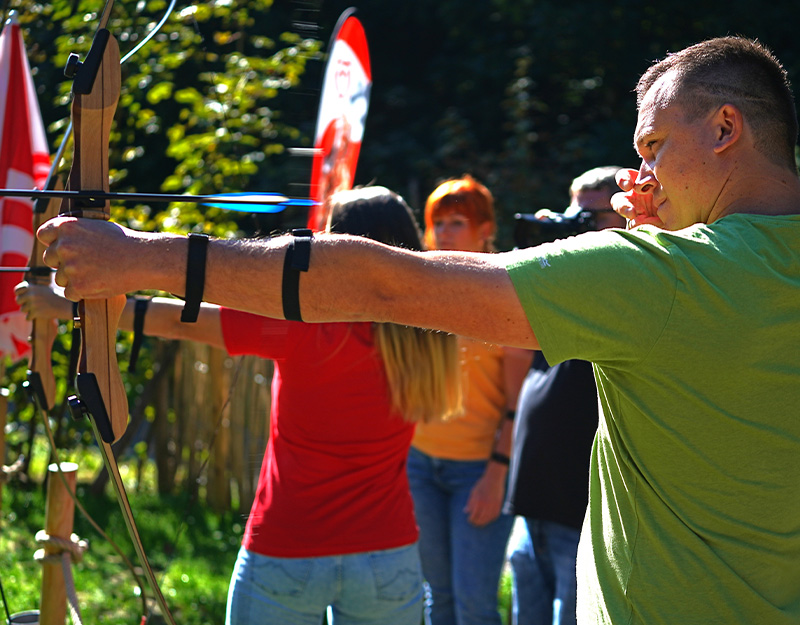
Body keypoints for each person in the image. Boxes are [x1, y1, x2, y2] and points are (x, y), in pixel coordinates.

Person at [39, 36, 800, 624]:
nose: (644, 176)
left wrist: (137, 256)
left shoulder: (665, 278)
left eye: (653, 147)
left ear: (725, 127)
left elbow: (380, 280)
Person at [20, 186, 463, 625]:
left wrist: (62, 305)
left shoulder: (303, 328)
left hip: (287, 550)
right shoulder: (428, 338)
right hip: (388, 555)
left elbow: (178, 319)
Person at [406, 175, 531, 625]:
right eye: (438, 223)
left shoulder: (507, 293)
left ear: (485, 230)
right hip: (419, 463)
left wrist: (496, 475)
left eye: (457, 222)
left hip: (479, 469)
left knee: (474, 604)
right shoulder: (421, 290)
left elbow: (519, 403)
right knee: (435, 598)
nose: (444, 233)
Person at [504, 166, 624, 625]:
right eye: (571, 212)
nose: (576, 224)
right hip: (531, 497)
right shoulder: (565, 278)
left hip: (579, 507)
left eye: (589, 216)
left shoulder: (627, 286)